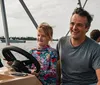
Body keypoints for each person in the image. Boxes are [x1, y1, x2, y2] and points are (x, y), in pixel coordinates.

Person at [57, 8, 100, 85]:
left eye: (79, 25)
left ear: (87, 28)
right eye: (72, 23)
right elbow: (55, 65)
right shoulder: (61, 42)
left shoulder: (96, 49)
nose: (74, 28)